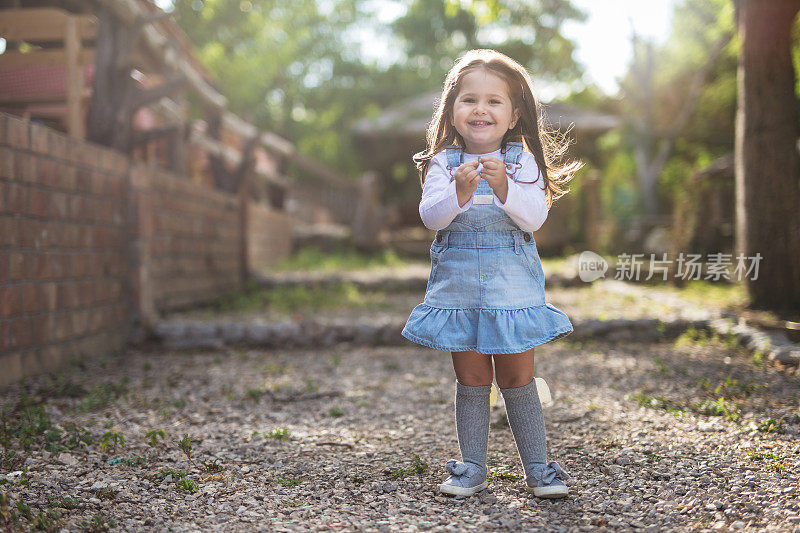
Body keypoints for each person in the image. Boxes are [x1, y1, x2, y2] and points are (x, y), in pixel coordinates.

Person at [401, 49, 583, 499]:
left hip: (511, 288)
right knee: (472, 379)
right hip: (458, 288)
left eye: (494, 101)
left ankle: (539, 469)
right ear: (452, 110)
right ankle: (472, 467)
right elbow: (432, 218)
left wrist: (503, 185)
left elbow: (534, 217)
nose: (480, 109)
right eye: (469, 100)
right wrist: (460, 193)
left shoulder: (523, 162)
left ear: (513, 114)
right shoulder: (442, 163)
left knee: (518, 379)